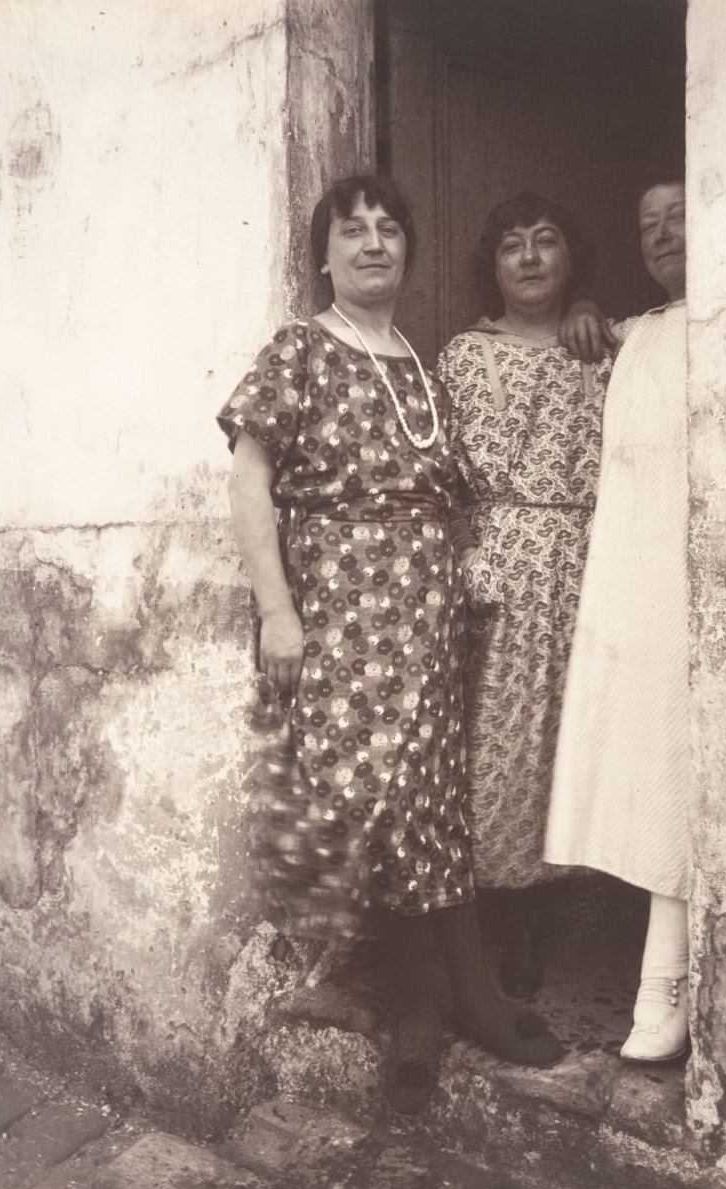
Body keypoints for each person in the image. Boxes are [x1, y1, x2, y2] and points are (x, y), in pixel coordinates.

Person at [217, 175, 563, 1115]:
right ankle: (441, 992)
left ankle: (433, 1004)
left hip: (428, 613)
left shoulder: (422, 363)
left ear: (405, 251)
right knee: (362, 797)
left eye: (388, 230)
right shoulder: (297, 349)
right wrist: (276, 611)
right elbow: (252, 486)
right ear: (323, 255)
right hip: (341, 613)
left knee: (429, 800)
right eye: (351, 230)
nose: (374, 244)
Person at [436, 194, 610, 997]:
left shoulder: (604, 346)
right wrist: (465, 557)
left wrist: (590, 314)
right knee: (489, 746)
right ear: (493, 266)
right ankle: (490, 930)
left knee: (570, 745)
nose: (531, 258)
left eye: (547, 242)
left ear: (571, 260)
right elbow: (437, 474)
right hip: (494, 568)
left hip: (590, 566)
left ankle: (552, 925)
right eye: (512, 246)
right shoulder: (464, 355)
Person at [546, 166, 692, 1063]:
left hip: (701, 576)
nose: (665, 232)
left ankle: (667, 983)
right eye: (649, 223)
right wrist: (587, 310)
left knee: (686, 762)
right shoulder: (634, 332)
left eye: (682, 215)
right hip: (635, 576)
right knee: (644, 762)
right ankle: (659, 975)